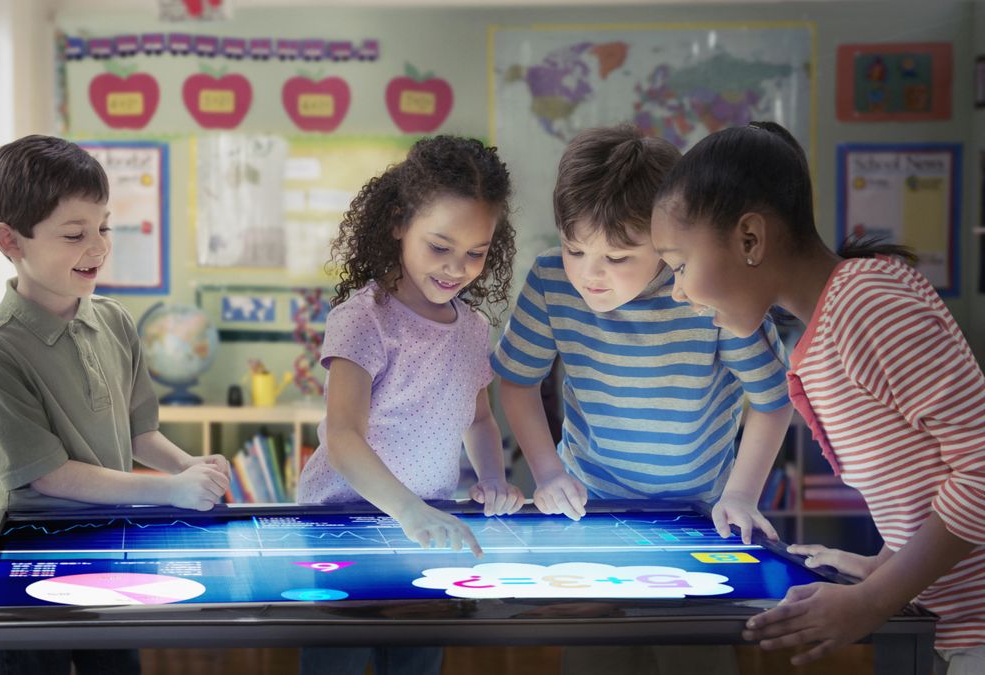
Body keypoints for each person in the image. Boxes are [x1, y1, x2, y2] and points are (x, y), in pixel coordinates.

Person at [651, 121, 985, 673]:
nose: (679, 292)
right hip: (955, 628)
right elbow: (923, 476)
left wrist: (873, 602)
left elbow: (979, 469)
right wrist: (881, 567)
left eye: (681, 265)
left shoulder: (865, 305)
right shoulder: (831, 324)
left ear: (750, 239)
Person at [493, 125, 793, 674]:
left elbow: (774, 400)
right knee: (596, 662)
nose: (590, 274)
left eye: (619, 256)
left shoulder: (708, 288)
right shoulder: (550, 281)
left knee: (694, 662)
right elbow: (516, 381)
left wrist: (743, 496)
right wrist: (547, 473)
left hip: (699, 518)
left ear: (665, 236)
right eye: (575, 248)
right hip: (591, 514)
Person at [0, 134, 230, 675]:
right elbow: (49, 476)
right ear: (9, 239)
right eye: (74, 234)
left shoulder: (113, 320)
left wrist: (189, 466)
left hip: (114, 545)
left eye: (104, 226)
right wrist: (171, 491)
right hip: (32, 559)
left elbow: (140, 435)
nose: (98, 246)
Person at [295, 135, 525, 675]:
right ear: (398, 222)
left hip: (428, 526)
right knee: (339, 662)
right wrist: (408, 511)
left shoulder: (472, 329)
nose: (456, 268)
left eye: (476, 252)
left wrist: (493, 477)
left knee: (416, 660)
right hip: (343, 524)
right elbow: (344, 438)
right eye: (439, 247)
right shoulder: (365, 317)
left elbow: (481, 418)